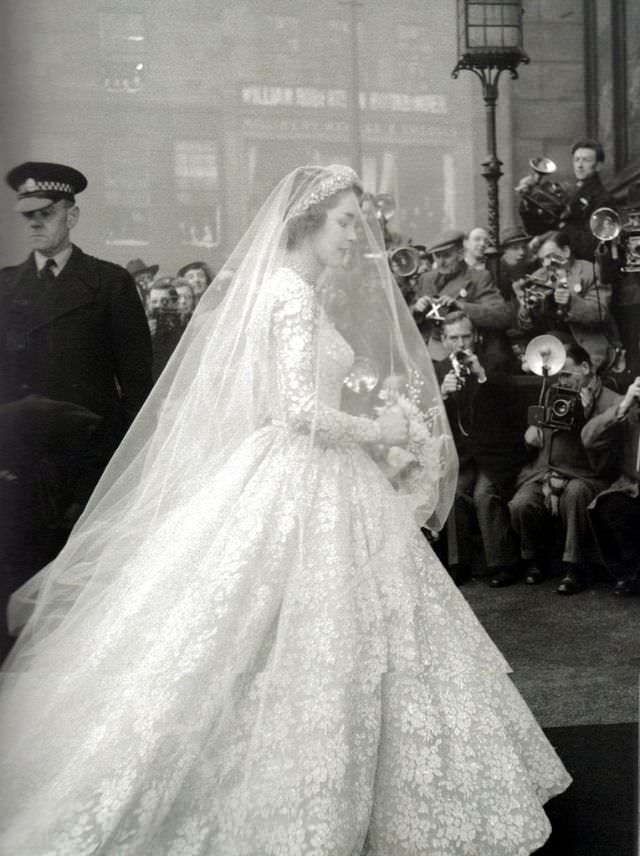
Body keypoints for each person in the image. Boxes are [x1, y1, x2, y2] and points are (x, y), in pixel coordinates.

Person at [0, 165, 570, 854]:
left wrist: (371, 426)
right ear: (307, 221)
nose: (355, 236)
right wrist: (383, 432)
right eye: (346, 223)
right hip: (301, 471)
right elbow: (296, 410)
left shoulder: (288, 290)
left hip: (305, 470)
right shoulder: (292, 295)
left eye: (358, 223)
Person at [0, 161, 152, 654]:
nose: (35, 223)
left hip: (86, 467)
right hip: (18, 464)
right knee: (17, 585)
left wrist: (118, 468)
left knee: (80, 595)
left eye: (46, 213)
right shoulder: (5, 287)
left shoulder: (108, 285)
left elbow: (137, 387)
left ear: (73, 215)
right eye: (28, 216)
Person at [508, 342, 618, 594]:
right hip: (545, 470)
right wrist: (530, 434)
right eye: (559, 375)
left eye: (568, 374)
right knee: (521, 504)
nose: (563, 380)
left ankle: (574, 567)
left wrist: (587, 415)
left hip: (587, 474)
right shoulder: (552, 393)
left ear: (586, 367)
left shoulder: (611, 401)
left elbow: (607, 456)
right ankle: (535, 559)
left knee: (576, 494)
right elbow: (537, 436)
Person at [434, 312, 528, 587]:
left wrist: (482, 376)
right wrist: (442, 395)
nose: (461, 343)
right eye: (453, 338)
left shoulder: (494, 365)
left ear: (476, 337)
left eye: (465, 336)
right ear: (443, 340)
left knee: (484, 494)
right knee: (453, 492)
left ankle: (504, 563)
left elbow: (509, 411)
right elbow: (429, 418)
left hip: (494, 454)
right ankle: (458, 563)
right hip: (461, 454)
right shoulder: (437, 370)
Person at [512, 230, 619, 371]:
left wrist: (571, 302)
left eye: (551, 257)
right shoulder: (538, 276)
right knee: (529, 367)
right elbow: (525, 326)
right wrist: (525, 307)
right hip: (556, 343)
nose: (546, 264)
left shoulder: (591, 271)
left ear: (566, 251)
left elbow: (600, 314)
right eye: (542, 259)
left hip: (589, 346)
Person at [411, 229, 512, 361]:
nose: (441, 262)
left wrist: (460, 306)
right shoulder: (426, 279)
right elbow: (407, 317)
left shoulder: (479, 278)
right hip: (431, 351)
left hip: (464, 352)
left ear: (460, 254)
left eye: (446, 256)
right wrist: (416, 309)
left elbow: (502, 316)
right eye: (437, 256)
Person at [583, 376, 640, 595]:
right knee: (612, 506)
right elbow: (589, 439)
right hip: (633, 486)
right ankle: (631, 573)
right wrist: (624, 405)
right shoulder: (629, 412)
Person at [518, 138, 616, 263]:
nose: (579, 165)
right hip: (561, 262)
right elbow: (535, 229)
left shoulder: (604, 199)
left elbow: (591, 247)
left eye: (586, 160)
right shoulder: (572, 192)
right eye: (576, 160)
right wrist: (527, 199)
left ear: (599, 166)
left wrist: (560, 228)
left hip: (582, 267)